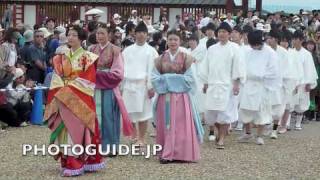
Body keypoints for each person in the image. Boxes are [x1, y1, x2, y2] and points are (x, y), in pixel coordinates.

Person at [44, 25, 105, 177]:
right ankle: (67, 160)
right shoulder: (61, 57)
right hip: (63, 97)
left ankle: (77, 162)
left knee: (77, 129)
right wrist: (60, 90)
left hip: (79, 99)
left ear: (81, 38)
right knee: (65, 130)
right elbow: (56, 78)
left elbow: (88, 81)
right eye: (68, 35)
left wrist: (67, 91)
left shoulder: (87, 57)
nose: (70, 38)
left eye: (74, 35)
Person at [152, 29, 204, 163]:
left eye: (175, 39)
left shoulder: (186, 58)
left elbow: (190, 79)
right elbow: (154, 78)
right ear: (166, 41)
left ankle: (181, 153)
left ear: (180, 41)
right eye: (170, 39)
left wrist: (167, 78)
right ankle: (166, 152)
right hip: (165, 97)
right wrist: (175, 78)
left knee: (180, 125)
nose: (173, 42)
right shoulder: (160, 58)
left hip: (181, 98)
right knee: (167, 125)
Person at [90, 23, 133, 156]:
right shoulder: (91, 49)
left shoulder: (115, 50)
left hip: (109, 88)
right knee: (94, 116)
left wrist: (98, 75)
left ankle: (111, 146)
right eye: (98, 33)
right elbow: (86, 68)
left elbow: (118, 72)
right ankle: (95, 144)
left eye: (102, 33)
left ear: (109, 34)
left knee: (109, 116)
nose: (100, 36)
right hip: (94, 88)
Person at [201, 22, 246, 149]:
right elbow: (206, 67)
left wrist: (236, 84)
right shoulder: (212, 49)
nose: (222, 34)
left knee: (225, 113)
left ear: (229, 34)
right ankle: (221, 131)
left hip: (228, 85)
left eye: (224, 32)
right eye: (220, 31)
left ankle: (221, 138)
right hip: (213, 84)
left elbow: (238, 67)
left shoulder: (235, 49)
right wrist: (205, 82)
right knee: (210, 113)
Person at [238, 30, 279, 145]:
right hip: (248, 84)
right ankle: (247, 132)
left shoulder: (270, 53)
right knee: (244, 109)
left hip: (262, 84)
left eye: (256, 44)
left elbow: (274, 70)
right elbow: (243, 66)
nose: (254, 47)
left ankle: (259, 135)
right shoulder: (249, 52)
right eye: (252, 45)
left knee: (261, 111)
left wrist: (261, 76)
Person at [122, 22, 158, 146]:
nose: (141, 35)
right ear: (134, 34)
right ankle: (133, 135)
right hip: (129, 84)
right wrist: (121, 85)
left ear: (147, 35)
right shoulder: (127, 50)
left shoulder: (151, 51)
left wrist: (151, 86)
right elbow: (122, 67)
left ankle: (141, 138)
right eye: (138, 32)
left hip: (143, 85)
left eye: (143, 33)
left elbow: (153, 70)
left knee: (143, 114)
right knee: (129, 112)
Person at [291, 30, 318, 130]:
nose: (294, 41)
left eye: (296, 39)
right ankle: (287, 123)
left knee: (302, 103)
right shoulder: (290, 52)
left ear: (301, 40)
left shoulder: (307, 54)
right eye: (293, 39)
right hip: (292, 81)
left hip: (303, 82)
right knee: (290, 102)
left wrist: (309, 83)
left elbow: (310, 69)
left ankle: (298, 123)